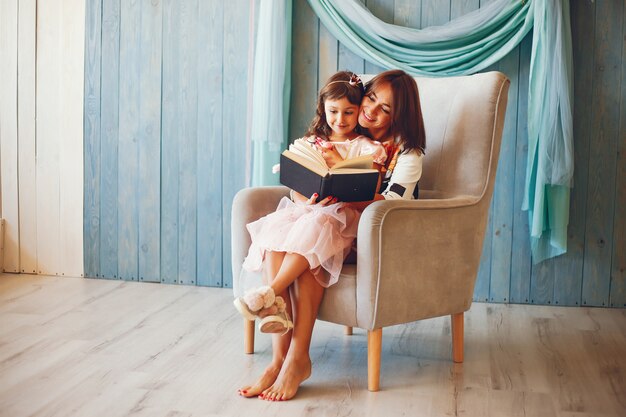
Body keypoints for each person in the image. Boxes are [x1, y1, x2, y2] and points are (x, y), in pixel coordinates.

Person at [236, 69, 426, 401]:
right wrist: (310, 195)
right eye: (370, 99)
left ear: (400, 115)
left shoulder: (403, 152)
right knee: (289, 236)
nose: (371, 111)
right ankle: (284, 359)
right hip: (325, 222)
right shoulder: (335, 135)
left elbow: (393, 206)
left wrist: (345, 190)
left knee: (316, 233)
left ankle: (272, 301)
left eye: (386, 108)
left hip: (373, 236)